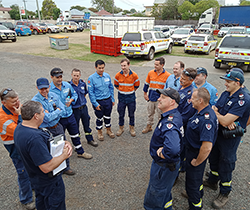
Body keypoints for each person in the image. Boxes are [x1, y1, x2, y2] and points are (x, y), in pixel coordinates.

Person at [203, 68, 250, 209]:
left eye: (228, 81)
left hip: (230, 137)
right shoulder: (226, 93)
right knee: (214, 156)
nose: (225, 84)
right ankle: (212, 180)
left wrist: (223, 118)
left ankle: (225, 191)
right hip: (218, 132)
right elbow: (213, 107)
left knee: (226, 162)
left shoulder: (244, 99)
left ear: (237, 82)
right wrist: (221, 116)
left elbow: (224, 120)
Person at [14, 100, 72, 210]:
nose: (44, 114)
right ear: (36, 116)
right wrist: (64, 155)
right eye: (42, 112)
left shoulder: (20, 128)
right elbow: (46, 167)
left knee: (42, 203)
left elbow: (43, 145)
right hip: (49, 182)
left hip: (36, 180)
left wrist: (62, 143)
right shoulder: (35, 138)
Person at [144, 87, 182, 210]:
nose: (159, 99)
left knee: (154, 199)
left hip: (163, 167)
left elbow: (173, 149)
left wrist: (162, 153)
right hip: (166, 167)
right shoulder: (173, 115)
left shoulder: (169, 122)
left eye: (163, 97)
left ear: (172, 102)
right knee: (164, 193)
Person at [32, 77, 75, 175]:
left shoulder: (53, 95)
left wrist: (54, 113)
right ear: (37, 88)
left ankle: (66, 167)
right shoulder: (36, 102)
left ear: (49, 87)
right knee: (49, 150)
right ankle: (53, 170)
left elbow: (63, 109)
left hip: (57, 126)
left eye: (45, 88)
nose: (44, 91)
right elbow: (46, 119)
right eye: (41, 89)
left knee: (63, 146)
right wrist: (57, 111)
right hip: (46, 130)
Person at [0, 88, 35, 210]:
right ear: (4, 103)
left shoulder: (14, 109)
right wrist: (20, 114)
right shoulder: (2, 118)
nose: (17, 103)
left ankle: (32, 185)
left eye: (18, 99)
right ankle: (26, 200)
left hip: (24, 145)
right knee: (23, 173)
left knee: (31, 167)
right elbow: (20, 131)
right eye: (14, 101)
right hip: (15, 149)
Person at [184, 88, 218, 210]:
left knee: (193, 184)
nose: (190, 100)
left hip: (196, 155)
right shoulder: (201, 111)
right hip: (191, 152)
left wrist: (197, 161)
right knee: (196, 182)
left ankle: (195, 206)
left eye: (193, 98)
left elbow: (207, 147)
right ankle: (197, 196)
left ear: (200, 100)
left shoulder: (206, 119)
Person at [50, 68, 92, 159]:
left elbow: (74, 94)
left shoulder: (67, 85)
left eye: (61, 77)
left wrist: (72, 100)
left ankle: (80, 151)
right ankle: (61, 157)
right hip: (59, 119)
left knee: (75, 134)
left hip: (70, 115)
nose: (59, 79)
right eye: (57, 77)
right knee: (60, 138)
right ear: (52, 77)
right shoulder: (49, 90)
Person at [87, 60, 115, 141]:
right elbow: (91, 93)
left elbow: (111, 88)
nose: (101, 70)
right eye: (99, 68)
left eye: (103, 68)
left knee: (108, 116)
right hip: (99, 102)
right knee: (99, 118)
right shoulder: (91, 78)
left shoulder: (107, 76)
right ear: (96, 67)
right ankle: (99, 132)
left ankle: (108, 130)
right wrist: (95, 104)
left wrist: (112, 99)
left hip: (108, 100)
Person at [70, 68, 98, 147]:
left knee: (87, 124)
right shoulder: (69, 85)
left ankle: (90, 139)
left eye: (77, 75)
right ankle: (77, 143)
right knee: (76, 127)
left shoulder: (82, 83)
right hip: (75, 109)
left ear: (80, 75)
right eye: (74, 75)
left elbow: (85, 93)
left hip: (84, 108)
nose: (76, 77)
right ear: (72, 75)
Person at [142, 57, 171, 134]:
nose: (155, 66)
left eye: (157, 65)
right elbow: (146, 84)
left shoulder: (168, 75)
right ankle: (149, 126)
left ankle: (160, 128)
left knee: (160, 115)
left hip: (160, 100)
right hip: (151, 98)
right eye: (154, 64)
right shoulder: (150, 73)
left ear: (162, 65)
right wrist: (145, 94)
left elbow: (168, 89)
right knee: (150, 113)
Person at [114, 58, 140, 137]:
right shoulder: (118, 75)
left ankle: (131, 128)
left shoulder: (134, 75)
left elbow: (137, 85)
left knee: (131, 114)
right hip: (121, 98)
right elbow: (116, 85)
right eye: (121, 66)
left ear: (129, 65)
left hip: (131, 98)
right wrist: (123, 91)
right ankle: (121, 128)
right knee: (121, 113)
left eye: (124, 65)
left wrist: (129, 91)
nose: (123, 67)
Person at [178, 67, 197, 172]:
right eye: (181, 77)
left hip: (182, 126)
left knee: (181, 148)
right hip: (176, 121)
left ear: (191, 80)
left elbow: (186, 115)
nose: (181, 80)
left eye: (184, 79)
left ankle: (180, 167)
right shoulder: (181, 87)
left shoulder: (190, 94)